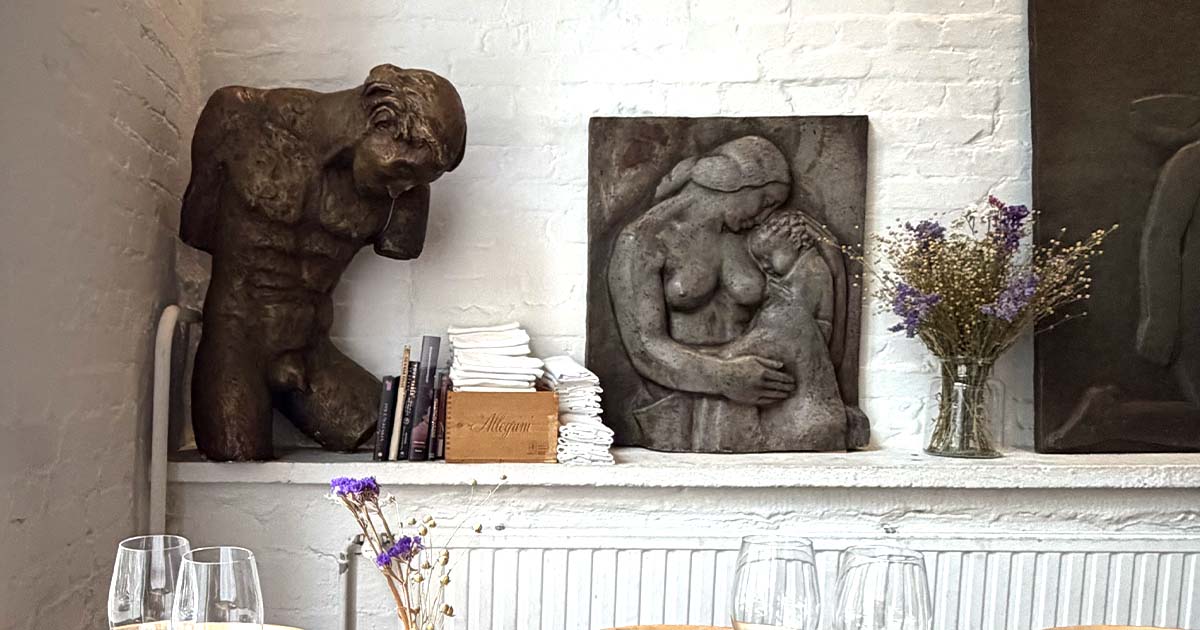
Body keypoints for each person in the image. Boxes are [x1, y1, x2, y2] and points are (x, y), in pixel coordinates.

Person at [607, 135, 799, 452]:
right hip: (677, 400)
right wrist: (724, 377)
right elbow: (644, 346)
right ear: (733, 183)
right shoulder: (642, 240)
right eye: (766, 201)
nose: (766, 216)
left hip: (757, 395)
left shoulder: (753, 238)